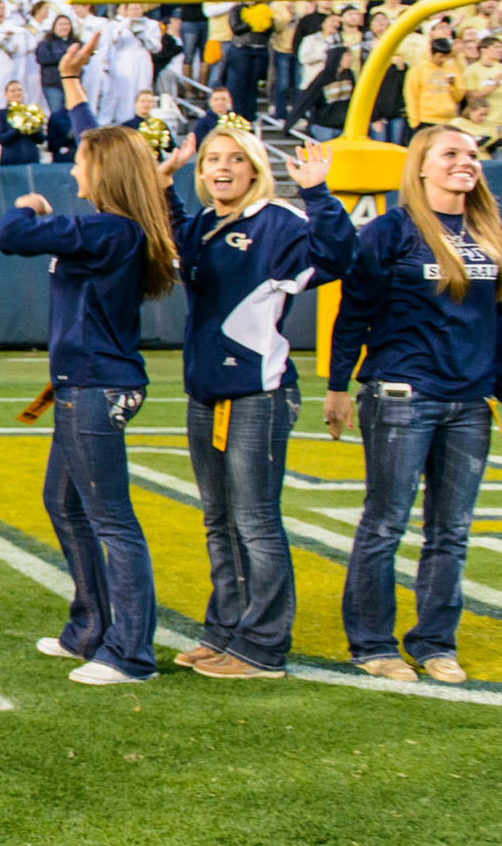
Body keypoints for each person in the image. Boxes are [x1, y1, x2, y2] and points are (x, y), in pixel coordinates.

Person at [333, 126, 502, 684]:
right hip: (402, 396)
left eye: (472, 155)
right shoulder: (390, 231)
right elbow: (354, 310)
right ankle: (372, 643)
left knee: (451, 531)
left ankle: (435, 642)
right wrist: (337, 384)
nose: (466, 162)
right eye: (452, 154)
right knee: (386, 523)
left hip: (469, 405)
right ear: (421, 166)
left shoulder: (486, 231)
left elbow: (495, 323)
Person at [0, 107, 183, 686]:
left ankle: (131, 652)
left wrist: (27, 207)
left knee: (111, 520)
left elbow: (8, 236)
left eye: (80, 161)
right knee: (65, 503)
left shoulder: (107, 229)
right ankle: (90, 629)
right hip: (88, 382)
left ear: (103, 171)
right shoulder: (117, 229)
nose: (73, 170)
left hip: (97, 387)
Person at [171, 127, 353, 680]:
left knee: (254, 521)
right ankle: (225, 631)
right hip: (206, 392)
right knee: (218, 520)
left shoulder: (278, 220)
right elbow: (177, 246)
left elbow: (338, 256)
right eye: (210, 160)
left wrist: (319, 194)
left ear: (254, 168)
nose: (221, 168)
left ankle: (264, 646)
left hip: (258, 391)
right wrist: (164, 190)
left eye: (234, 159)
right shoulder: (203, 225)